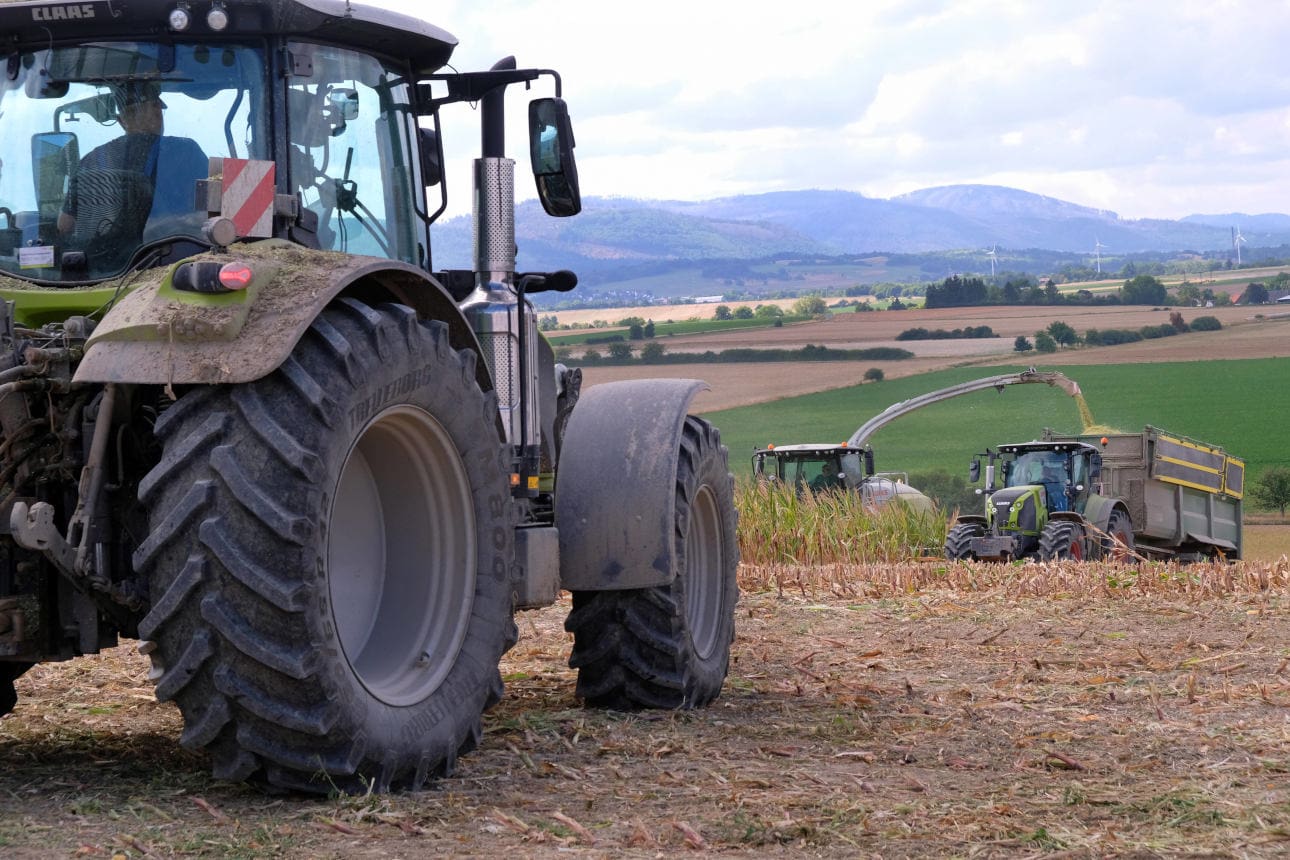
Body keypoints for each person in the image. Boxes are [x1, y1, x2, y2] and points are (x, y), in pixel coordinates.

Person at [57, 82, 208, 256]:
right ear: (157, 110)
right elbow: (214, 210)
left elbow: (64, 225)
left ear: (121, 121)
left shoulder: (91, 160)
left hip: (105, 267)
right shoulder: (186, 152)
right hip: (172, 260)